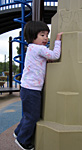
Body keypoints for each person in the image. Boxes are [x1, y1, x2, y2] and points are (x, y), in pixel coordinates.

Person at [13, 20, 63, 150]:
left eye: (47, 35)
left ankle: (18, 132)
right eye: (42, 35)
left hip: (27, 88)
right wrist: (57, 40)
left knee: (28, 114)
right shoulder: (39, 48)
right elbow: (55, 55)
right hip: (32, 89)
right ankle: (23, 140)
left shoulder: (31, 48)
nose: (46, 38)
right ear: (32, 36)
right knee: (33, 116)